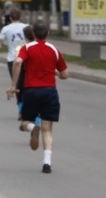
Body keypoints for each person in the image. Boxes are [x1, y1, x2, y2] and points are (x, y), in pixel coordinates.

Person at [7, 21, 69, 173]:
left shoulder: (27, 48)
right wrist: (54, 72)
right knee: (47, 129)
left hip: (32, 91)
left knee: (24, 123)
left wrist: (13, 86)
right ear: (47, 33)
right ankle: (47, 163)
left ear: (33, 34)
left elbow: (17, 62)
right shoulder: (54, 49)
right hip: (50, 92)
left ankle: (32, 127)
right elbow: (65, 75)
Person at [0, 8, 28, 106]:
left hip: (12, 59)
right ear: (20, 17)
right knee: (26, 83)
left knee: (17, 84)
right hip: (25, 58)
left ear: (10, 18)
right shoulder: (27, 27)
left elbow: (0, 42)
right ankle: (26, 106)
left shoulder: (6, 29)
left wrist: (1, 45)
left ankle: (21, 107)